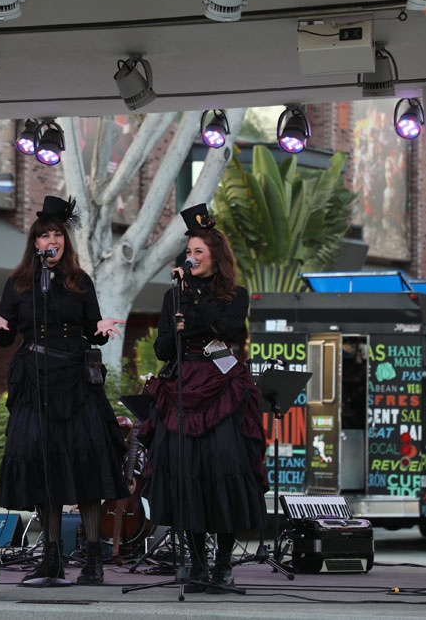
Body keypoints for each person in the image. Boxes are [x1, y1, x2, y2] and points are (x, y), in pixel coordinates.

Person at [0, 196, 128, 587]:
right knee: (40, 459)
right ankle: (51, 555)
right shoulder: (19, 283)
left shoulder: (80, 281)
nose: (52, 239)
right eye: (45, 234)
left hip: (75, 379)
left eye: (57, 233)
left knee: (86, 461)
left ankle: (94, 556)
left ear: (65, 240)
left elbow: (93, 323)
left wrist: (101, 327)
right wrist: (0, 328)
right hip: (34, 377)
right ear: (34, 242)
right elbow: (8, 335)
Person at [140, 203, 267, 594]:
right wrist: (176, 327)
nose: (191, 258)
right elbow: (163, 350)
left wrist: (193, 302)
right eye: (188, 252)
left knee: (223, 473)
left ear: (215, 256)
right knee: (186, 476)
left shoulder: (235, 294)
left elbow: (229, 327)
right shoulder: (172, 296)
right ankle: (195, 564)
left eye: (198, 252)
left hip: (222, 385)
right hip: (183, 384)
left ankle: (224, 565)